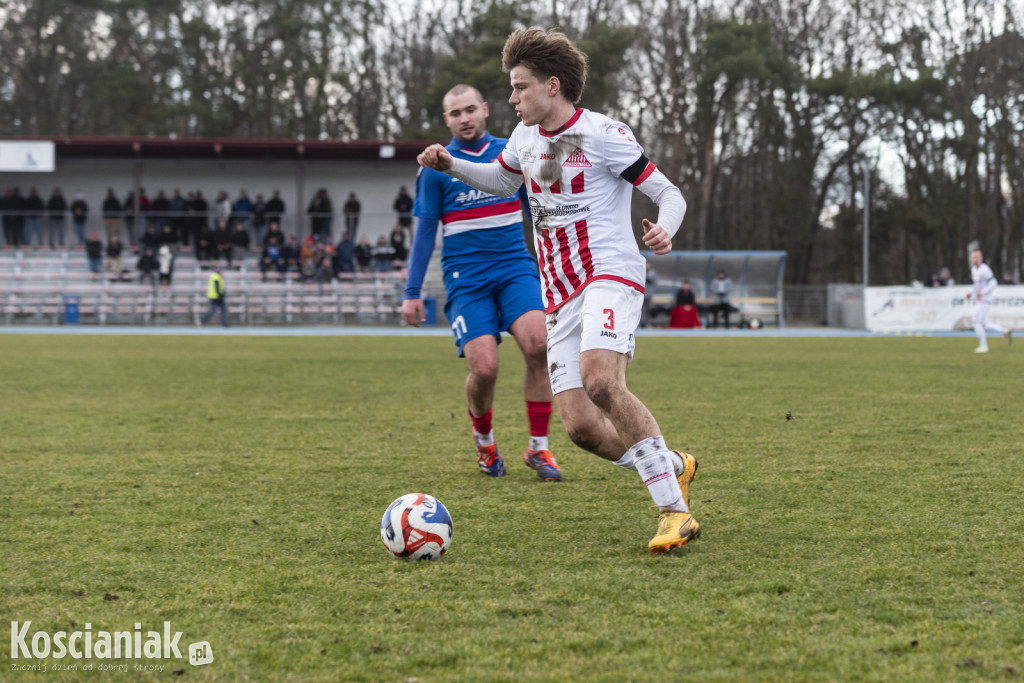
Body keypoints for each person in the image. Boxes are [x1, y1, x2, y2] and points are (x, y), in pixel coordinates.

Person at [416, 29, 695, 552]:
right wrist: (450, 164)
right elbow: (503, 183)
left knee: (601, 382)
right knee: (582, 429)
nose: (512, 98)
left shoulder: (605, 133)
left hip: (610, 273)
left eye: (520, 88)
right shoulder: (523, 140)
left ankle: (674, 512)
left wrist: (665, 228)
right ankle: (672, 464)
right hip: (561, 291)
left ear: (552, 85)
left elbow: (667, 192)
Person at [406, 82, 562, 482]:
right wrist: (412, 293)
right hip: (466, 278)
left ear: (485, 110)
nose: (465, 118)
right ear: (447, 120)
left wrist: (558, 260)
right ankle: (485, 441)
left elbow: (537, 211)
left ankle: (539, 449)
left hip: (514, 267)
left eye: (470, 109)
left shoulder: (510, 153)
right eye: (455, 114)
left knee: (539, 345)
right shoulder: (436, 166)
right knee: (485, 369)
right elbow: (425, 233)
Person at [966, 248, 1011, 353]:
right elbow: (977, 285)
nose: (975, 259)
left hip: (985, 300)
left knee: (976, 321)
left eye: (977, 257)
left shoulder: (985, 269)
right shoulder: (974, 270)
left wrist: (983, 292)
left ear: (981, 258)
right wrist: (971, 292)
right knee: (984, 323)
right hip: (980, 299)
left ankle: (983, 346)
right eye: (973, 257)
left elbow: (993, 282)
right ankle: (1004, 331)